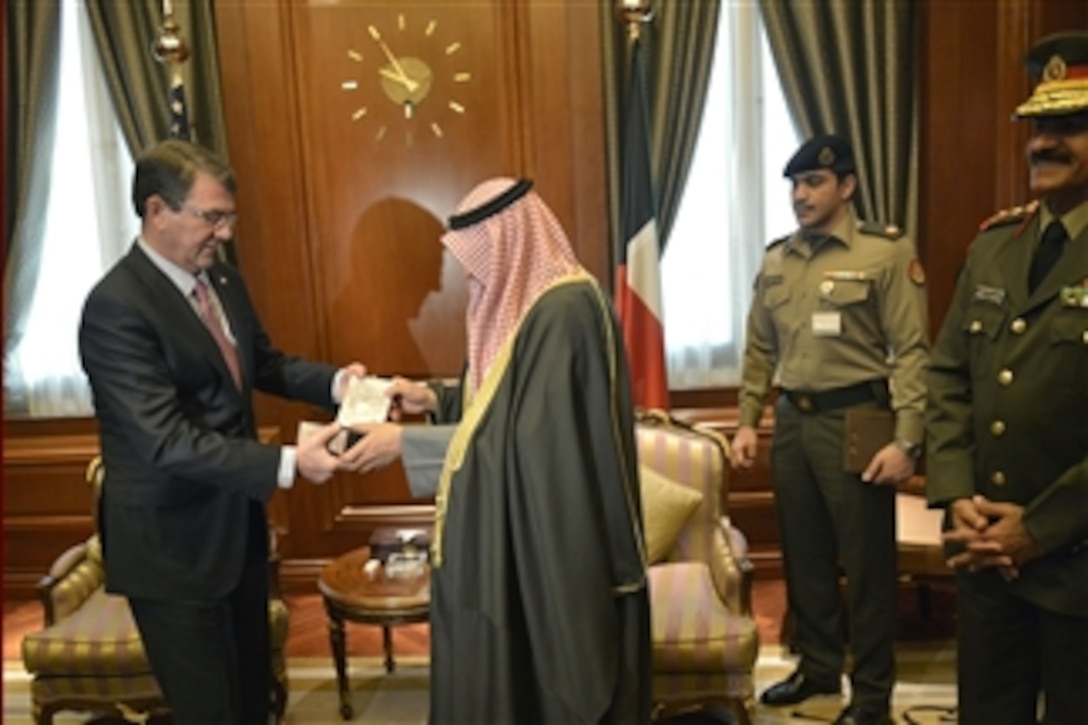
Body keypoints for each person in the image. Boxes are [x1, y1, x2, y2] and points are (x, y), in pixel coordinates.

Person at [340, 177, 652, 723]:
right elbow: (503, 400)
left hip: (553, 558)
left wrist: (406, 444)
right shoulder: (531, 308)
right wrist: (433, 397)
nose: (468, 272)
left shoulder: (566, 310)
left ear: (510, 240)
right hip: (517, 544)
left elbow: (536, 446)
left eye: (475, 254)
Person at [78, 139, 363, 725]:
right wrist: (286, 463)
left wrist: (342, 386)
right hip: (173, 550)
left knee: (250, 700)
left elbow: (264, 363)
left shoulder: (223, 283)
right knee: (210, 713)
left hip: (237, 536)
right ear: (157, 210)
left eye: (229, 217)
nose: (226, 233)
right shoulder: (116, 307)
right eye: (213, 217)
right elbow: (164, 440)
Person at [731, 135, 929, 725]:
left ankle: (871, 693)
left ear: (847, 186)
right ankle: (817, 667)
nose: (800, 195)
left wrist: (907, 439)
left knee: (866, 562)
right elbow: (759, 348)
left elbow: (913, 350)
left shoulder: (885, 253)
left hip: (859, 418)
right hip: (793, 418)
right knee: (805, 553)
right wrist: (747, 420)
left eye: (814, 183)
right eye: (794, 185)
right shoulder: (777, 259)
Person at [925, 30, 1088, 725]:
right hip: (987, 556)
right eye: (1038, 126)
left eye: (1071, 126)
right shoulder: (996, 245)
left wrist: (1043, 526)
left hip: (1079, 564)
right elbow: (948, 376)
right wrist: (957, 492)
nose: (1044, 143)